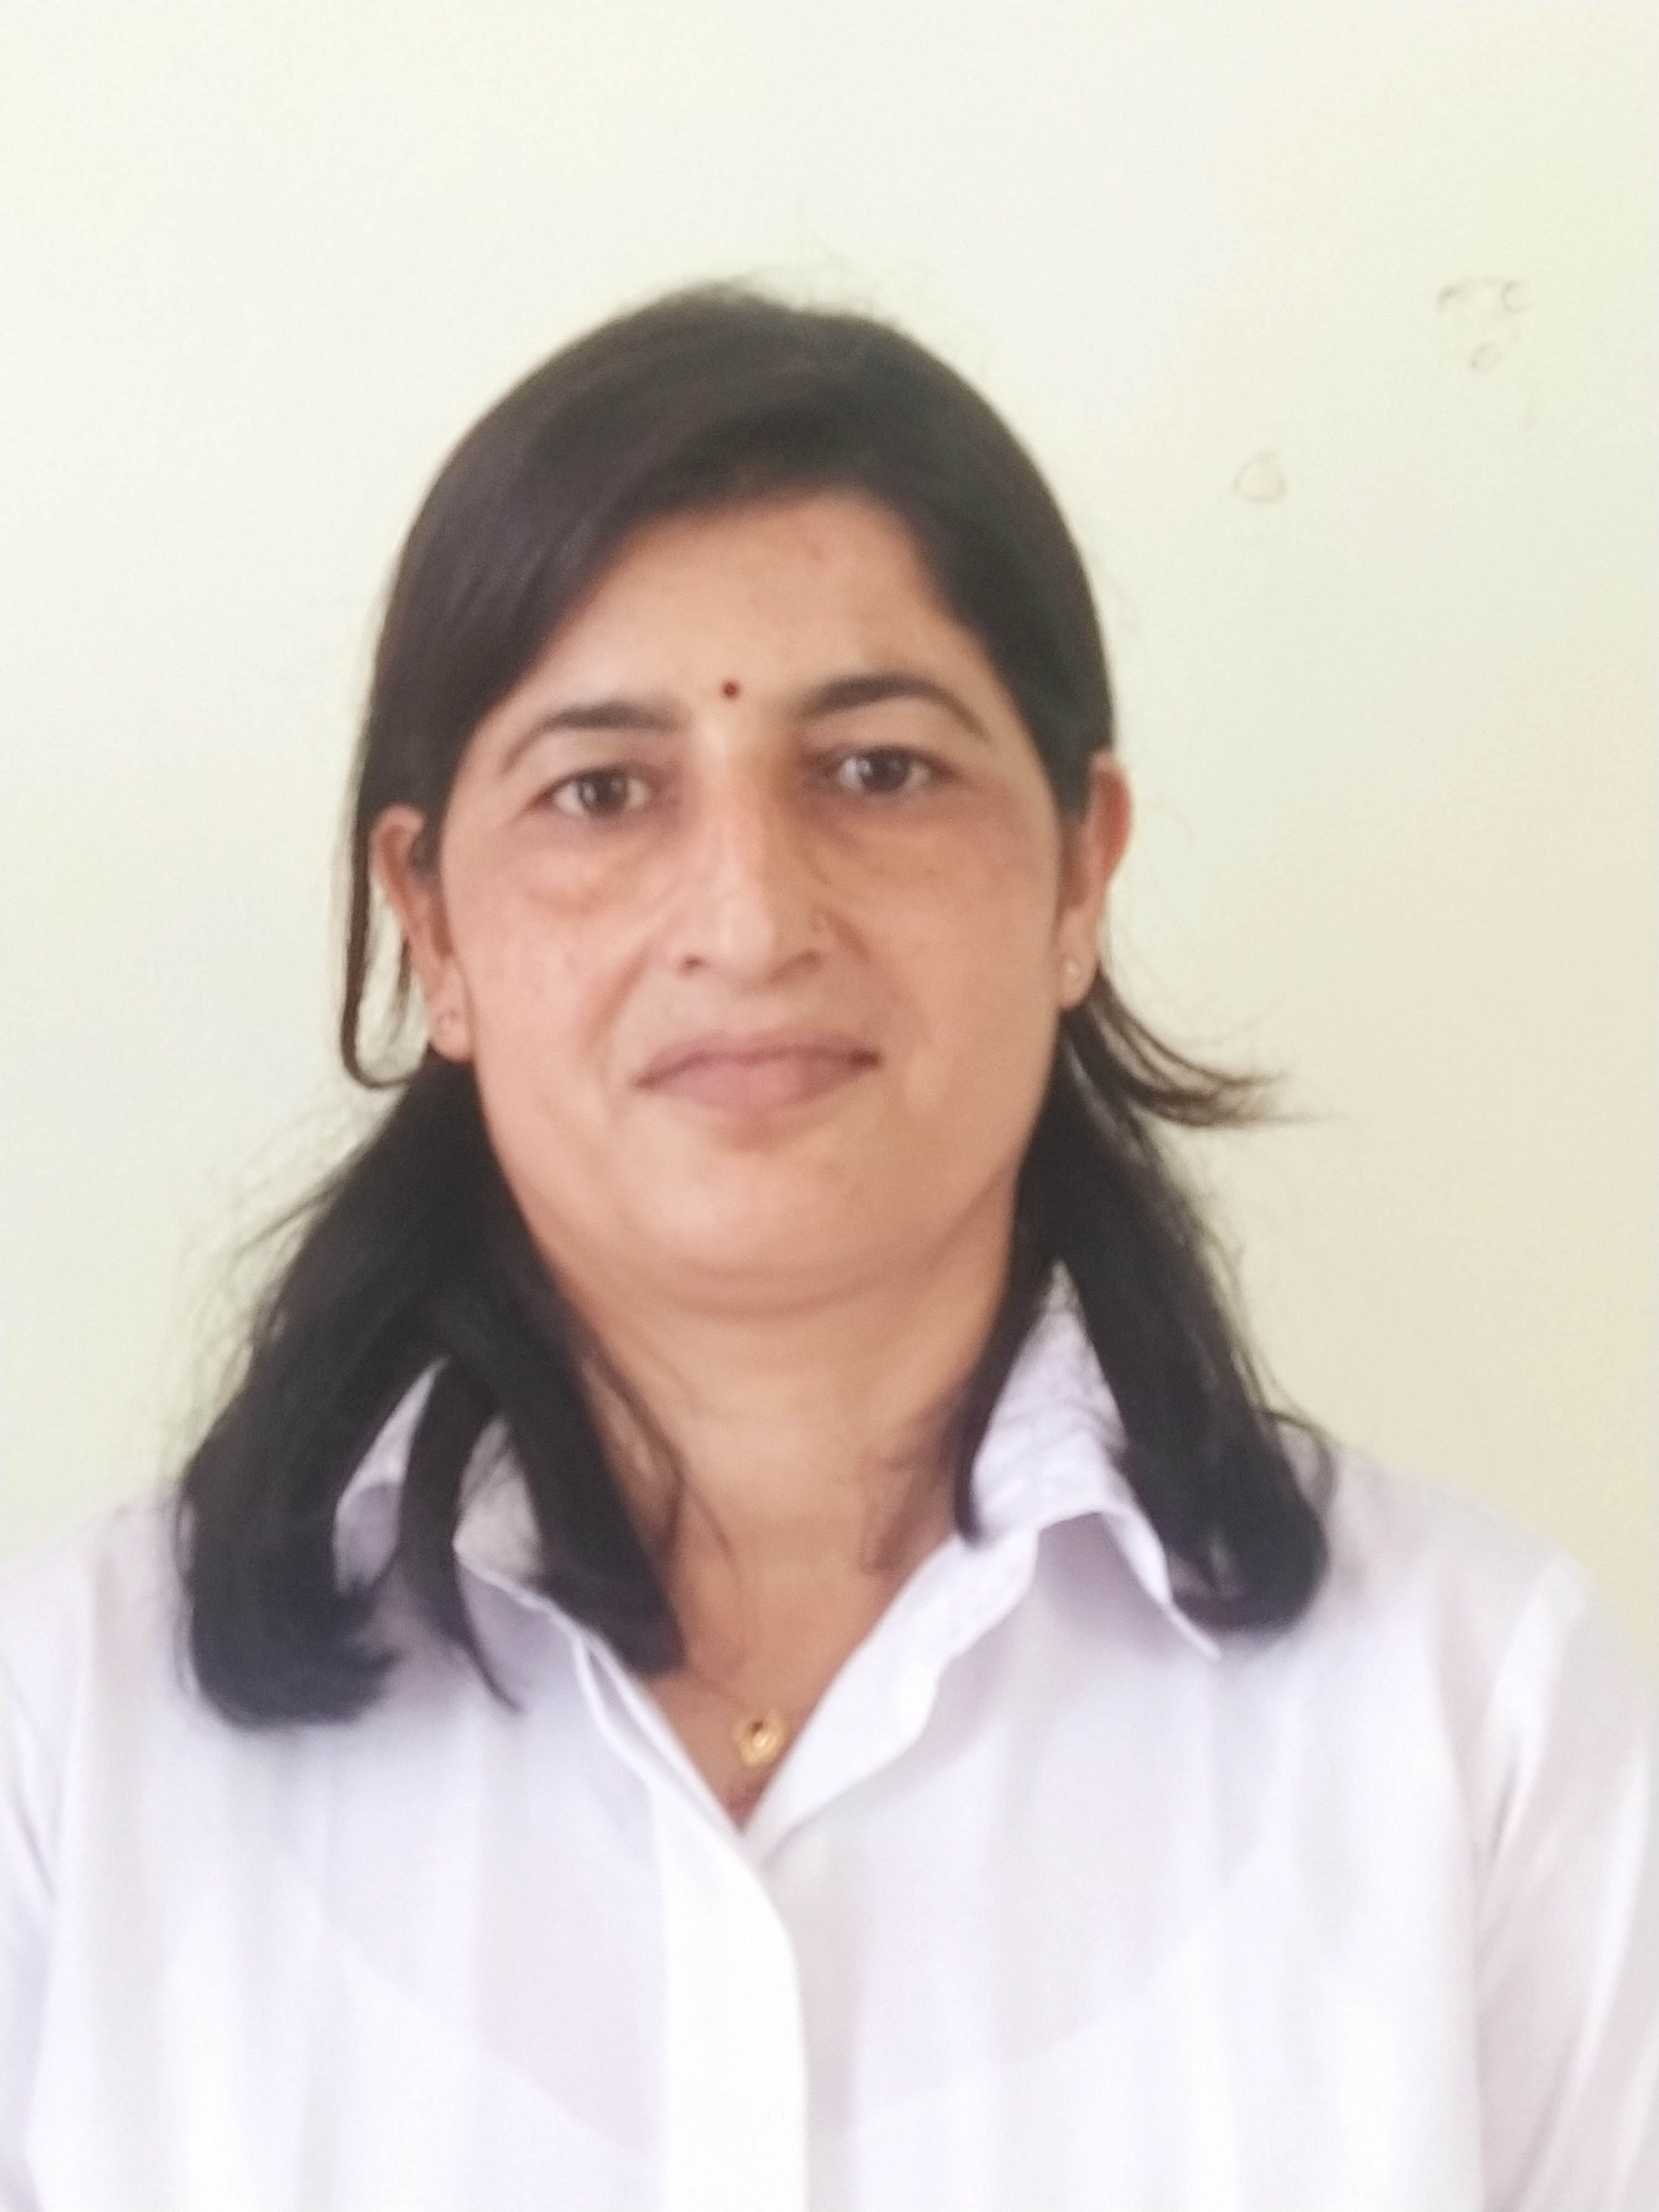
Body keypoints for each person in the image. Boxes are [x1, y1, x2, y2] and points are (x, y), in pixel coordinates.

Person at [1, 286, 1652, 2212]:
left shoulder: (1474, 1717)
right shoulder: (73, 1745)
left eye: (877, 770)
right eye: (601, 792)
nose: (749, 916)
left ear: (1082, 871)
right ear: (430, 923)